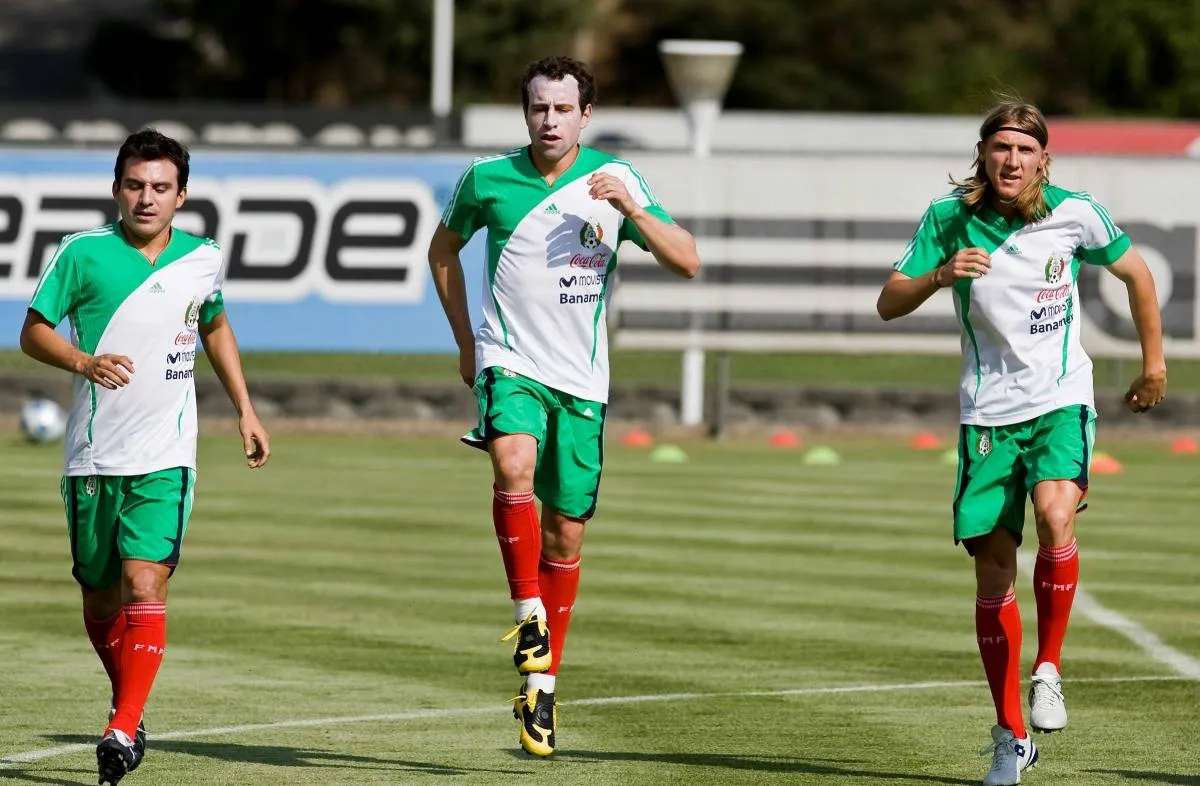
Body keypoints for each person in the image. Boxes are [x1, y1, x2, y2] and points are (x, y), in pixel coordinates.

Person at [876, 100, 1165, 785]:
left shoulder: (1076, 213)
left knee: (1056, 513)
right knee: (993, 571)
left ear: (1044, 159)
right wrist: (939, 276)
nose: (1012, 160)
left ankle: (1049, 668)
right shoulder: (948, 218)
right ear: (983, 154)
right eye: (1001, 147)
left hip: (1061, 399)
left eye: (1025, 150)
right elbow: (888, 301)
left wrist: (1154, 365)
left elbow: (1137, 276)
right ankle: (1010, 735)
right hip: (986, 415)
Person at [428, 55, 700, 757]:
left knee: (565, 538)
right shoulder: (487, 178)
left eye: (562, 109)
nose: (549, 120)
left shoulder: (617, 179)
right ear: (526, 113)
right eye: (538, 108)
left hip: (583, 383)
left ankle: (541, 689)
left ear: (586, 116)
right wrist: (468, 343)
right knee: (511, 463)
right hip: (511, 362)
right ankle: (528, 614)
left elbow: (688, 260)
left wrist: (632, 209)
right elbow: (442, 253)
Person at [19, 129, 270, 785]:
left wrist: (244, 408)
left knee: (145, 584)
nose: (146, 198)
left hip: (166, 454)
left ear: (181, 196)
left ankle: (122, 727)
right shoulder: (81, 252)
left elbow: (214, 323)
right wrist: (83, 361)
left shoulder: (203, 259)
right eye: (135, 185)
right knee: (100, 596)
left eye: (161, 187)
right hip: (92, 457)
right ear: (117, 189)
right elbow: (33, 332)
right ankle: (127, 704)